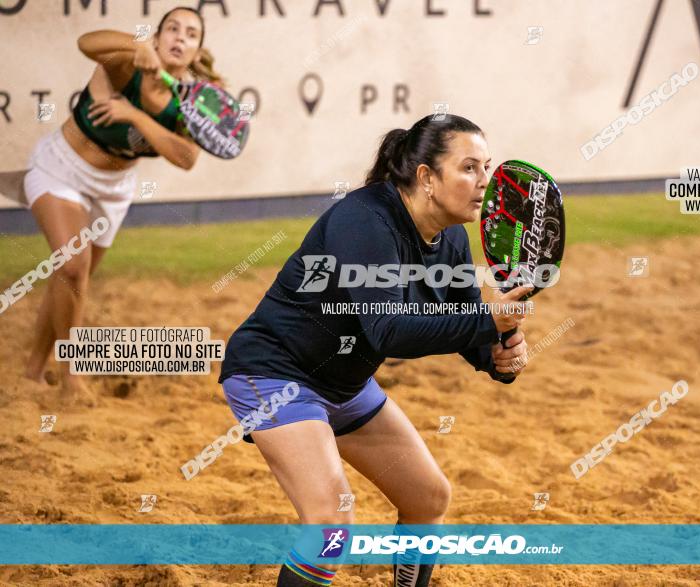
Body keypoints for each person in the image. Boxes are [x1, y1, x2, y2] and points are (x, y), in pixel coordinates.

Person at [219, 114, 532, 586]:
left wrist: (499, 357)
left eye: (486, 167)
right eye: (469, 167)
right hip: (275, 373)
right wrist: (489, 320)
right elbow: (388, 329)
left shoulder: (451, 239)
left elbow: (470, 327)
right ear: (426, 177)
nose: (484, 182)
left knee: (428, 499)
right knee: (330, 525)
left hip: (344, 384)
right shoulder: (364, 220)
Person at [22, 7, 221, 403]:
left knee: (71, 277)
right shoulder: (127, 63)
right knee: (73, 265)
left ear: (198, 51)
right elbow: (86, 43)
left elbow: (186, 158)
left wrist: (132, 114)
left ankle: (31, 370)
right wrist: (136, 45)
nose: (180, 38)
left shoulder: (195, 100)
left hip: (114, 190)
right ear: (159, 36)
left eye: (191, 34)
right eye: (172, 30)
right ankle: (70, 378)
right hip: (61, 169)